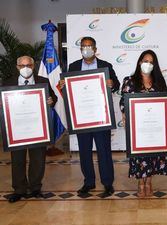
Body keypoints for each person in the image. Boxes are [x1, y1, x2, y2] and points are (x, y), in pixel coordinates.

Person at [63, 36, 120, 197]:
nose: (86, 49)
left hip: (101, 116)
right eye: (83, 46)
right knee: (85, 152)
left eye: (89, 46)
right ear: (80, 49)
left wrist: (112, 84)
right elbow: (69, 90)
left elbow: (116, 84)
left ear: (95, 48)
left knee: (104, 151)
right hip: (82, 118)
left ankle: (108, 184)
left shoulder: (105, 65)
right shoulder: (73, 66)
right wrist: (63, 86)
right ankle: (89, 182)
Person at [3, 56, 57, 203]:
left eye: (28, 65)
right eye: (22, 65)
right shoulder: (8, 83)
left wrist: (51, 101)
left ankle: (35, 188)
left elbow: (53, 98)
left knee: (38, 159)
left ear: (33, 66)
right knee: (18, 159)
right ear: (17, 67)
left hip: (38, 126)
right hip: (16, 128)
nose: (25, 68)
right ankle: (19, 189)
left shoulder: (42, 81)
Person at [119, 50, 167, 197]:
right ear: (140, 62)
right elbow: (124, 102)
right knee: (139, 156)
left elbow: (165, 103)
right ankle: (140, 183)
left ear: (154, 65)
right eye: (145, 61)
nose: (147, 64)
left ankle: (149, 182)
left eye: (151, 62)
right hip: (137, 128)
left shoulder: (159, 82)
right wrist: (124, 113)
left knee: (153, 154)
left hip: (155, 128)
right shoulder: (129, 80)